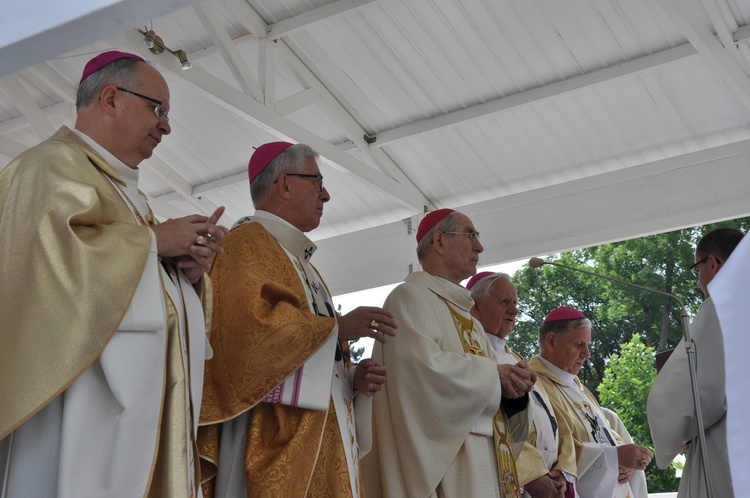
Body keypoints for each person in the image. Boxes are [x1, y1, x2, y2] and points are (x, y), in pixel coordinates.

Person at [0, 50, 226, 497]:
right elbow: (45, 276)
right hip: (73, 408)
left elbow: (132, 282)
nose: (166, 126)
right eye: (157, 109)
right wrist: (155, 244)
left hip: (132, 415)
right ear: (110, 98)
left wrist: (188, 274)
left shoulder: (125, 194)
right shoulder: (47, 166)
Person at [197, 141, 397, 498]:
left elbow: (309, 357)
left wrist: (351, 380)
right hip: (272, 441)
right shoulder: (244, 246)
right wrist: (338, 328)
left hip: (321, 438)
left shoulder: (304, 264)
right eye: (317, 182)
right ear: (285, 184)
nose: (327, 195)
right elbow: (247, 340)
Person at [362, 208, 536, 498]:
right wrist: (494, 377)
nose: (479, 247)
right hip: (451, 469)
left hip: (486, 464)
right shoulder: (409, 299)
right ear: (440, 242)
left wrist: (514, 394)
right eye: (471, 236)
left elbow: (492, 391)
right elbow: (419, 376)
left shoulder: (469, 318)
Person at [647, 227, 743, 498]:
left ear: (712, 263)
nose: (699, 281)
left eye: (697, 269)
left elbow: (686, 395)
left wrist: (677, 433)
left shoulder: (725, 305)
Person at [468, 272, 577, 498]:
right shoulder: (472, 357)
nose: (515, 310)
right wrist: (532, 473)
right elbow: (496, 422)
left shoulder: (516, 358)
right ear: (476, 307)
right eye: (504, 302)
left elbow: (556, 421)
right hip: (515, 482)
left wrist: (561, 471)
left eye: (515, 303)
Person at [529, 307, 652, 498]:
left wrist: (627, 462)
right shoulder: (534, 385)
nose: (587, 354)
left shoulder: (578, 386)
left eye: (588, 345)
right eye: (579, 345)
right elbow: (551, 447)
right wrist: (614, 457)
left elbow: (604, 432)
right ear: (552, 341)